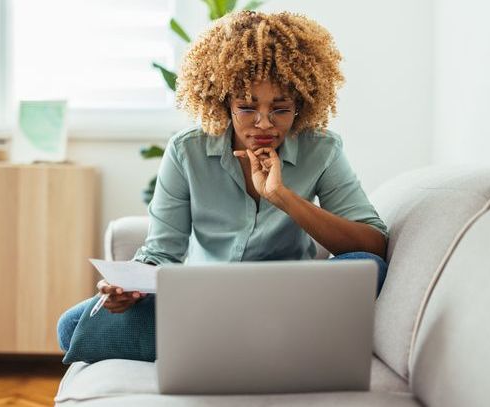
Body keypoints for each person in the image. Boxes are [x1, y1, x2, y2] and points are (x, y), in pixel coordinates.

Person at [58, 10, 388, 352]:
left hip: (286, 300)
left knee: (369, 267)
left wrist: (281, 196)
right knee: (71, 328)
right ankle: (259, 343)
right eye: (247, 108)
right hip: (202, 300)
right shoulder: (188, 151)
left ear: (301, 105)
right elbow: (161, 252)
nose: (263, 124)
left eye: (280, 109)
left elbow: (373, 246)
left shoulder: (321, 149)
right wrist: (129, 288)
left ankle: (223, 344)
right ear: (224, 102)